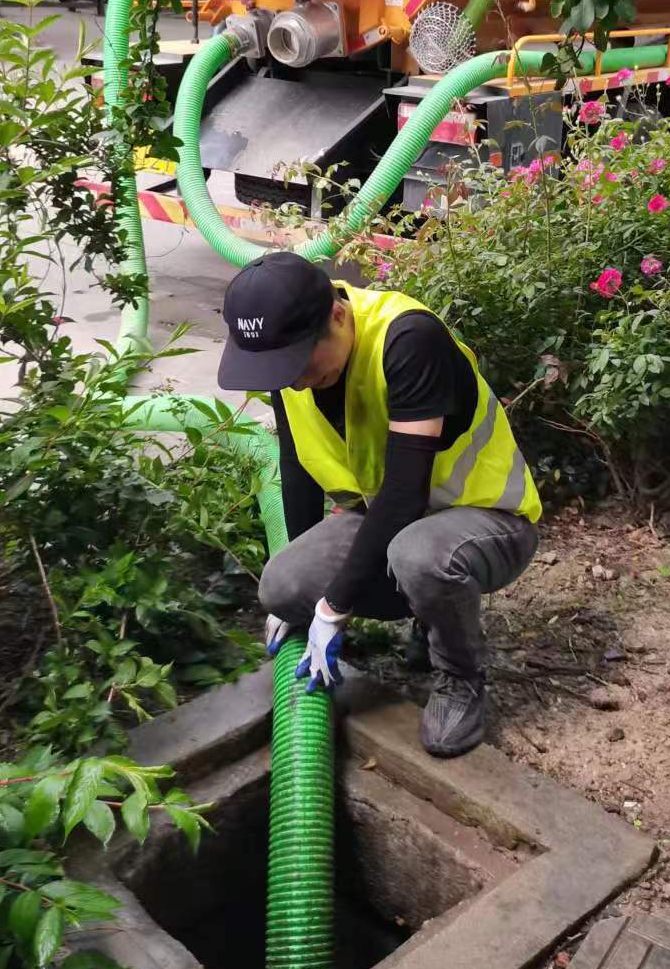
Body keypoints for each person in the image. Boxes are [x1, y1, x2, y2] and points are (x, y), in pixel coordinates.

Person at [217, 252, 542, 757]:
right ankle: (428, 611)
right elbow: (298, 461)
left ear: (338, 316)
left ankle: (461, 676)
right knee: (281, 585)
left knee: (419, 556)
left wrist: (333, 605)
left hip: (488, 521)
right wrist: (299, 601)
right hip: (392, 522)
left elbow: (405, 494)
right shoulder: (288, 366)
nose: (295, 379)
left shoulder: (408, 340)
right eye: (281, 369)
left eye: (302, 362)